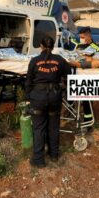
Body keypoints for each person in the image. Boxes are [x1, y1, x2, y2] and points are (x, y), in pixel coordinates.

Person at [25, 36, 71, 168]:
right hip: (54, 97)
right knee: (53, 126)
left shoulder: (34, 61)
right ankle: (54, 155)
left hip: (38, 97)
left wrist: (28, 98)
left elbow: (28, 81)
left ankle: (39, 160)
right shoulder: (59, 60)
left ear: (41, 46)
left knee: (38, 128)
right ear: (52, 46)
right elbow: (68, 73)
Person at [69, 26, 99, 126]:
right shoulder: (79, 46)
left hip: (87, 77)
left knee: (87, 100)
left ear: (89, 36)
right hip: (76, 74)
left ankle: (88, 122)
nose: (81, 39)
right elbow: (75, 56)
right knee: (73, 97)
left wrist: (80, 61)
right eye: (80, 37)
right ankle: (74, 116)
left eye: (83, 37)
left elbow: (95, 63)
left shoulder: (95, 48)